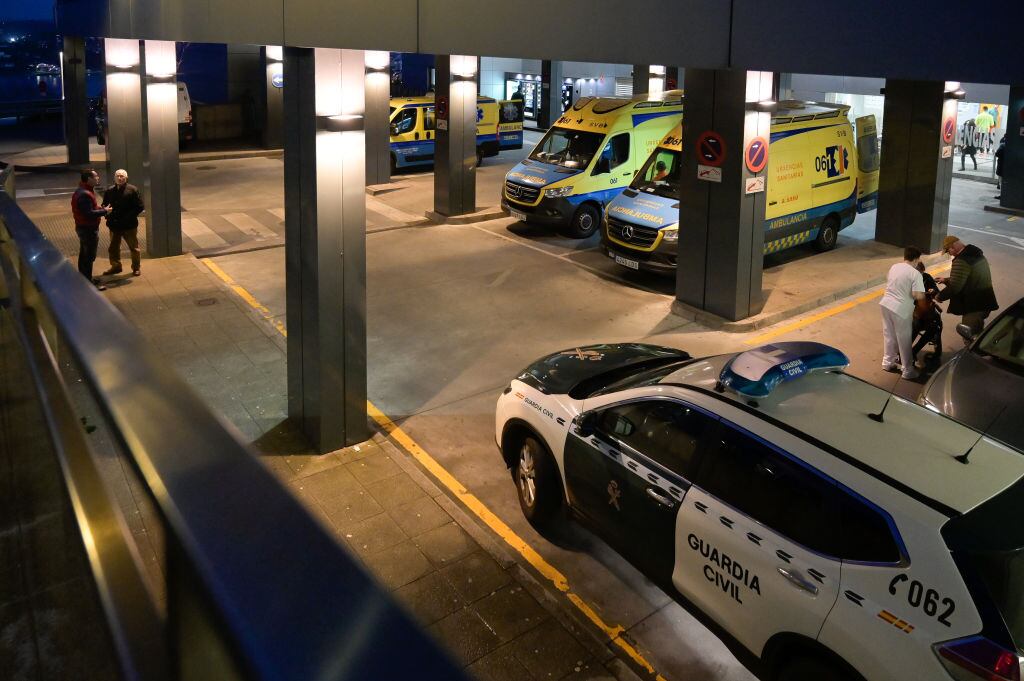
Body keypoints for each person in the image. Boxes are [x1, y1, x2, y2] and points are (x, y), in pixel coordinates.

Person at [879, 246, 927, 379]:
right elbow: (918, 295)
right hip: (900, 309)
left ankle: (887, 362)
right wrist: (923, 309)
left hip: (885, 304)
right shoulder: (915, 273)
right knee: (904, 339)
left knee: (889, 335)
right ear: (916, 259)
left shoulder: (894, 266)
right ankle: (908, 371)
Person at [936, 236, 998, 335]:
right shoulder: (974, 253)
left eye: (948, 251)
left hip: (974, 305)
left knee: (969, 335)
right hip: (985, 301)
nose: (949, 254)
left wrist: (939, 296)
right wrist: (946, 280)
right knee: (978, 332)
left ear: (953, 247)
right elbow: (969, 278)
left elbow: (955, 287)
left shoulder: (962, 260)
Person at [71, 168, 112, 290]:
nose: (98, 178)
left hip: (83, 228)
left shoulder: (83, 191)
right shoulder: (85, 194)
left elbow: (89, 209)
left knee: (84, 254)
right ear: (89, 179)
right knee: (88, 256)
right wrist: (104, 211)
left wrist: (100, 208)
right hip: (88, 229)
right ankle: (88, 283)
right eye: (96, 177)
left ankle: (85, 278)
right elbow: (88, 213)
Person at [101, 168, 144, 277]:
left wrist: (128, 217)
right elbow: (105, 205)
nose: (119, 178)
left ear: (126, 178)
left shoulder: (132, 190)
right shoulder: (109, 191)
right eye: (118, 176)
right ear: (114, 178)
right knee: (113, 247)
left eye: (122, 176)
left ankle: (136, 267)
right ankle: (116, 266)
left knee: (134, 247)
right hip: (114, 225)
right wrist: (106, 213)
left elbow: (139, 206)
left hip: (129, 225)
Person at [912, 261, 942, 365]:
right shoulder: (908, 280)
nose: (920, 275)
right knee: (916, 325)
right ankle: (905, 352)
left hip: (925, 310)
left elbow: (937, 292)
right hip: (913, 311)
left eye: (921, 273)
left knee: (936, 325)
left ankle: (914, 351)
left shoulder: (927, 277)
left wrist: (933, 291)